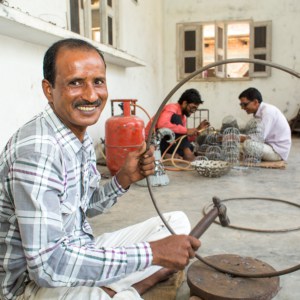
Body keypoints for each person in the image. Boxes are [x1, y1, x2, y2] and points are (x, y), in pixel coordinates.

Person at [0, 38, 201, 300]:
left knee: (177, 224)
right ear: (49, 90)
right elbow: (46, 267)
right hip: (31, 286)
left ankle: (113, 289)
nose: (91, 95)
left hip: (79, 249)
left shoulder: (77, 136)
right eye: (75, 82)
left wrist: (123, 179)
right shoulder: (37, 151)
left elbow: (83, 207)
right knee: (143, 266)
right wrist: (154, 254)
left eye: (98, 81)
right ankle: (121, 290)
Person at [146, 89, 209, 161]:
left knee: (190, 146)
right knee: (176, 119)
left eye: (196, 108)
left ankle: (168, 155)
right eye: (193, 107)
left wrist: (197, 130)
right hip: (152, 142)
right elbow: (162, 124)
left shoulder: (183, 117)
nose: (193, 111)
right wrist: (186, 130)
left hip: (165, 142)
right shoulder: (172, 108)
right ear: (185, 103)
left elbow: (182, 139)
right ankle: (187, 154)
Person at [239, 87, 291, 161]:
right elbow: (255, 133)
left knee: (247, 144)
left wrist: (240, 138)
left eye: (244, 104)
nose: (243, 108)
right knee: (239, 145)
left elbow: (259, 138)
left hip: (277, 152)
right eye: (241, 105)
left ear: (255, 102)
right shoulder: (261, 112)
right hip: (268, 145)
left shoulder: (268, 113)